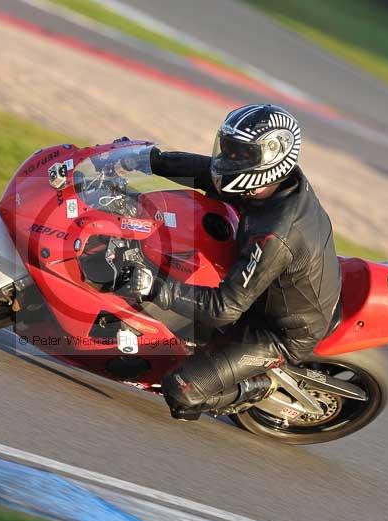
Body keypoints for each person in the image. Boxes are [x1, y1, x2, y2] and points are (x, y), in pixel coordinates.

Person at [125, 104, 342, 420]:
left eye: (240, 154)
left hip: (278, 331)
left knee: (181, 389)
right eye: (229, 149)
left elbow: (223, 310)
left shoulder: (276, 233)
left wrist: (156, 287)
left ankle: (258, 386)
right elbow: (206, 172)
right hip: (268, 286)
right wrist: (150, 161)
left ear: (268, 160)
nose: (228, 159)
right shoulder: (270, 183)